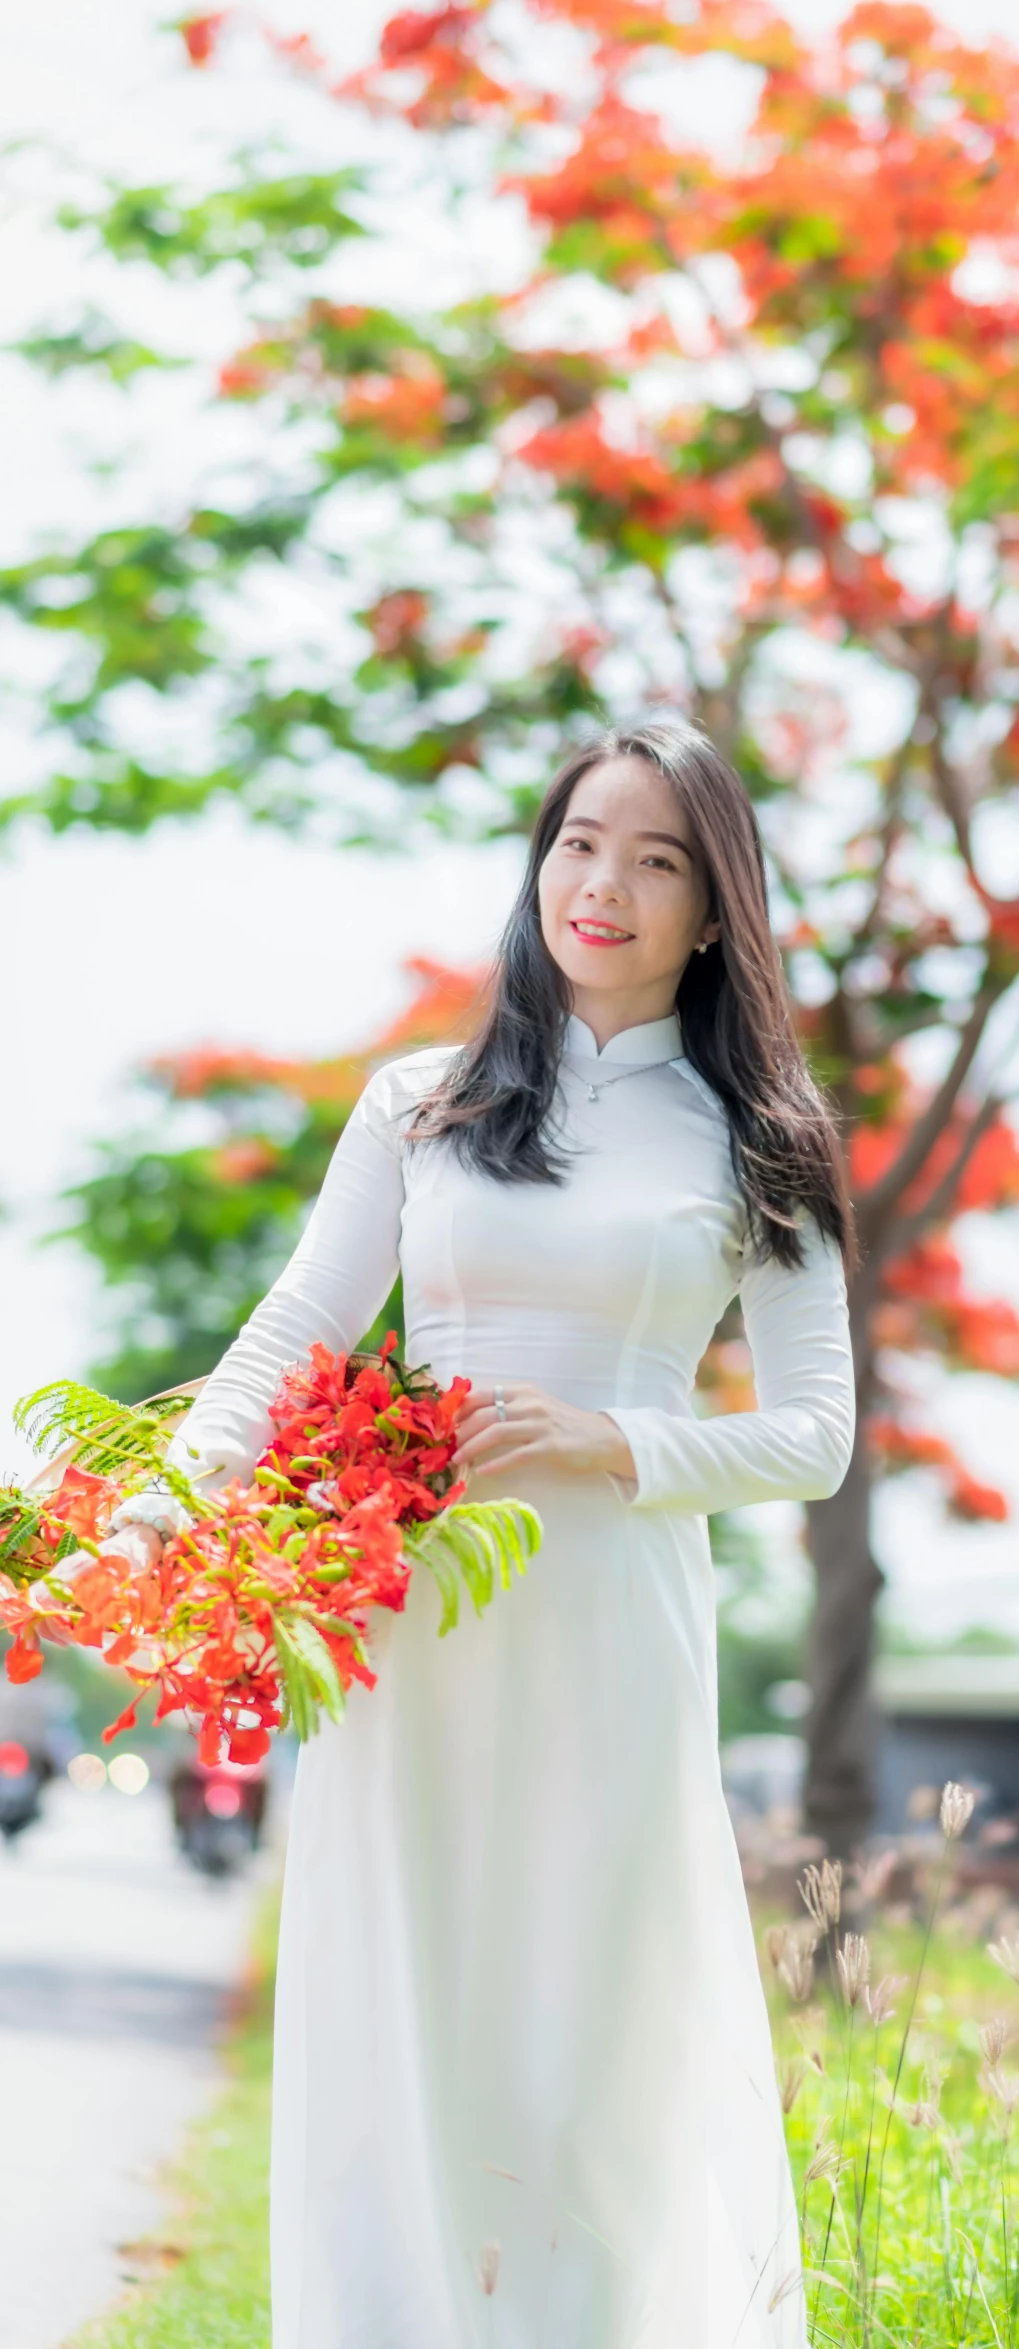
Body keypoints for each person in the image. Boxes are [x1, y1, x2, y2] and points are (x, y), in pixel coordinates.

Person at [107, 721, 855, 2349]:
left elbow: (816, 1434)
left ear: (716, 909)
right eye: (581, 842)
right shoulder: (421, 1103)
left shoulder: (761, 1136)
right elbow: (304, 1324)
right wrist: (166, 1502)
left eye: (660, 860)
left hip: (611, 1613)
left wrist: (615, 1440)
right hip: (408, 1613)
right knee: (405, 2011)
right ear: (540, 861)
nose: (606, 886)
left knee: (589, 2031)